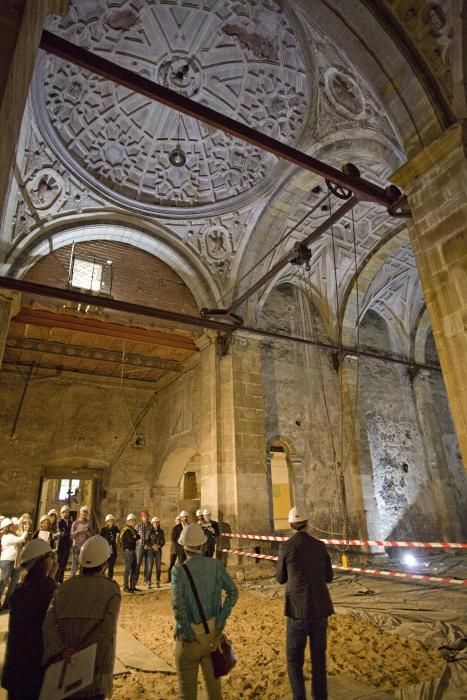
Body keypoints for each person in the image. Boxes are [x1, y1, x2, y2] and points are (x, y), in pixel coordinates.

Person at [43, 535, 121, 700]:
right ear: (105, 564)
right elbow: (107, 633)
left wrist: (61, 652)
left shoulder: (63, 588)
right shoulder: (110, 590)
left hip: (63, 665)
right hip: (92, 671)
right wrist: (92, 662)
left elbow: (48, 624)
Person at [171, 523, 238, 700]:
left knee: (187, 694)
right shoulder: (215, 565)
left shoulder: (178, 571)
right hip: (212, 637)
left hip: (190, 639)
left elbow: (178, 606)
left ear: (184, 546)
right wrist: (220, 621)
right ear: (203, 545)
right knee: (215, 692)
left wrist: (186, 631)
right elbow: (233, 592)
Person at [276, 507, 334, 700]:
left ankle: (299, 697)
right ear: (307, 523)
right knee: (319, 658)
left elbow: (280, 578)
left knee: (294, 659)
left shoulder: (286, 547)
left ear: (291, 525)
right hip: (319, 608)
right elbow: (329, 576)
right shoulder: (320, 545)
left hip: (297, 609)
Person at [1, 539, 57, 699]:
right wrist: (51, 578)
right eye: (50, 556)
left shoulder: (20, 590)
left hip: (16, 669)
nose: (53, 560)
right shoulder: (47, 590)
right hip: (33, 668)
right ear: (41, 562)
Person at [0, 517, 29, 610]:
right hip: (7, 561)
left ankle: (7, 603)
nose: (14, 526)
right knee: (3, 583)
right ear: (7, 527)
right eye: (11, 525)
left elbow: (22, 539)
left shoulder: (14, 535)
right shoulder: (7, 537)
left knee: (13, 584)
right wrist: (26, 530)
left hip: (15, 562)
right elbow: (21, 539)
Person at [70, 505, 94, 577]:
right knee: (74, 563)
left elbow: (92, 535)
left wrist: (86, 531)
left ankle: (81, 577)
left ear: (87, 514)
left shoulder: (89, 523)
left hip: (85, 546)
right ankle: (72, 577)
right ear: (80, 513)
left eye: (86, 513)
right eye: (83, 512)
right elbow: (71, 535)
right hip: (76, 546)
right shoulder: (75, 523)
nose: (84, 514)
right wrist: (78, 530)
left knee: (83, 563)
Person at [120, 513, 140, 593]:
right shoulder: (126, 530)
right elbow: (131, 539)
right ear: (129, 521)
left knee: (134, 568)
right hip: (128, 551)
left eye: (134, 520)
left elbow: (138, 536)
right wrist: (134, 537)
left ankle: (132, 586)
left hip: (132, 550)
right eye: (133, 521)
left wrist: (135, 536)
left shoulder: (132, 530)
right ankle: (125, 587)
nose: (134, 522)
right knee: (128, 569)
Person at [56, 504, 73, 583]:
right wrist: (69, 532)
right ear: (61, 513)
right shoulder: (59, 522)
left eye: (67, 512)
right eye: (64, 512)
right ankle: (56, 580)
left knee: (64, 564)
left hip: (68, 545)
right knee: (59, 564)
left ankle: (61, 581)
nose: (66, 513)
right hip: (61, 545)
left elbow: (70, 532)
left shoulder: (70, 522)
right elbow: (61, 533)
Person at [135, 510, 153, 587]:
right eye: (144, 516)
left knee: (149, 563)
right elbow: (134, 536)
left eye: (147, 516)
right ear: (142, 518)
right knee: (138, 563)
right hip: (140, 546)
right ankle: (134, 581)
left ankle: (147, 580)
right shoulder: (138, 526)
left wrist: (148, 545)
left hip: (148, 547)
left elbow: (152, 537)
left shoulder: (151, 526)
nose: (145, 518)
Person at [100, 514, 120, 580]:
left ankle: (110, 579)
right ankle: (101, 579)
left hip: (112, 551)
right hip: (105, 550)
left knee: (111, 567)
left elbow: (118, 535)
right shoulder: (103, 530)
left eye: (112, 521)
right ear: (107, 522)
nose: (111, 522)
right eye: (109, 521)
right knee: (104, 566)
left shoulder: (115, 529)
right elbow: (101, 539)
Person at [148, 516, 165, 588]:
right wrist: (152, 546)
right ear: (152, 523)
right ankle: (149, 582)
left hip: (158, 550)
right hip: (151, 551)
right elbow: (147, 541)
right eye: (154, 522)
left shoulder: (161, 531)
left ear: (159, 523)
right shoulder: (149, 531)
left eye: (157, 522)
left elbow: (163, 541)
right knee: (150, 566)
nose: (156, 523)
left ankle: (158, 581)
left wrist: (159, 546)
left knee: (158, 567)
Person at [167, 515, 181, 583]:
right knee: (171, 564)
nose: (179, 521)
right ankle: (169, 578)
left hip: (180, 549)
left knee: (180, 564)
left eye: (180, 520)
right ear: (175, 521)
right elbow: (173, 538)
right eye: (177, 520)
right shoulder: (174, 528)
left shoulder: (182, 528)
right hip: (173, 549)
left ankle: (178, 577)